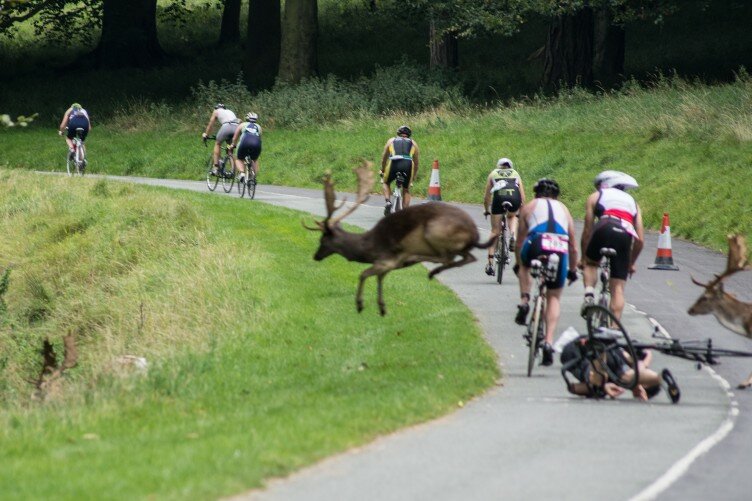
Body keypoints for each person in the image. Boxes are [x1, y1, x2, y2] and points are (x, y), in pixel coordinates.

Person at [514, 178, 578, 366]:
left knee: (525, 265)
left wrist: (519, 263)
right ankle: (549, 342)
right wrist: (573, 269)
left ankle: (525, 301)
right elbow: (573, 246)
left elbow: (519, 241)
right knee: (554, 297)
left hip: (537, 240)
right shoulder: (564, 209)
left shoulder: (530, 206)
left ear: (536, 193)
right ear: (556, 196)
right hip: (559, 245)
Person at [579, 170, 645, 320]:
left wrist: (584, 258)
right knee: (617, 288)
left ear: (604, 185)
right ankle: (614, 328)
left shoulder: (595, 196)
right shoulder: (634, 203)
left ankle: (589, 295)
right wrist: (630, 263)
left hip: (604, 226)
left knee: (591, 264)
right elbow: (640, 239)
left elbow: (588, 230)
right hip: (625, 233)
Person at [560, 335, 680, 402]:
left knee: (599, 386)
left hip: (579, 351)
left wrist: (604, 388)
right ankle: (658, 378)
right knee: (605, 382)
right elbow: (645, 356)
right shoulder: (627, 373)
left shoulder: (617, 382)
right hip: (582, 353)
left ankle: (599, 351)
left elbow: (573, 388)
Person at [483, 157, 526, 276]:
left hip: (499, 200)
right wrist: (521, 211)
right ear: (510, 166)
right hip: (514, 199)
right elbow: (522, 197)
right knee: (512, 217)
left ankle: (490, 263)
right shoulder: (515, 173)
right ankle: (513, 235)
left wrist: (486, 210)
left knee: (495, 231)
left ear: (498, 166)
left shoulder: (493, 174)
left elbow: (487, 197)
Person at [380, 125, 420, 216]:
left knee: (386, 182)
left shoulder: (391, 141)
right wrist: (413, 177)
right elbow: (416, 163)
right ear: (409, 135)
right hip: (408, 164)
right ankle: (405, 212)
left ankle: (388, 202)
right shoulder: (413, 143)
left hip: (394, 162)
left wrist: (382, 169)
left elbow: (384, 158)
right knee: (406, 189)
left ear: (398, 133)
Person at [201, 103, 240, 175]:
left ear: (216, 108)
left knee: (218, 144)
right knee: (229, 149)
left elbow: (210, 124)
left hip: (227, 127)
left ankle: (216, 167)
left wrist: (206, 134)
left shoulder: (216, 111)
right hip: (236, 128)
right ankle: (233, 171)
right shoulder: (230, 111)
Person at [228, 112, 262, 183]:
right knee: (254, 160)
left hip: (244, 143)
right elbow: (259, 138)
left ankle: (242, 173)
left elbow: (235, 138)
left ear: (246, 118)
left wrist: (233, 145)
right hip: (257, 144)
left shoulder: (242, 125)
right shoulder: (259, 127)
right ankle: (253, 177)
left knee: (239, 159)